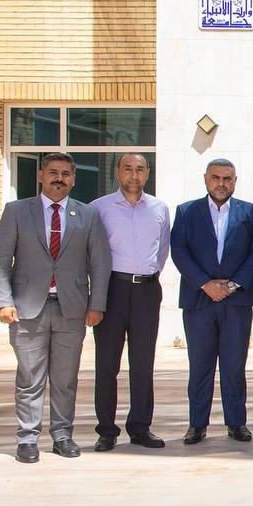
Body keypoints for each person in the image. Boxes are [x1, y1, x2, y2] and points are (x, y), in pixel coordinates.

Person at [0, 152, 111, 463]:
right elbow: (0, 259)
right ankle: (27, 438)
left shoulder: (87, 214)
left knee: (65, 378)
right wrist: (3, 301)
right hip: (27, 309)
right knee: (30, 378)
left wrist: (96, 304)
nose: (59, 178)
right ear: (41, 175)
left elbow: (99, 263)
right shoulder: (17, 211)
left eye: (66, 174)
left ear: (73, 179)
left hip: (72, 309)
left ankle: (62, 436)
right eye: (53, 172)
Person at [170, 158, 253, 444]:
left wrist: (233, 284)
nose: (221, 183)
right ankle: (197, 424)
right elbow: (179, 251)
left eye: (227, 178)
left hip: (237, 301)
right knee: (200, 366)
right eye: (216, 178)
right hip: (199, 300)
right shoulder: (187, 212)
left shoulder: (250, 212)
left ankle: (236, 423)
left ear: (235, 181)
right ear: (205, 179)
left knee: (234, 366)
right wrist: (205, 284)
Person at [90, 152, 169, 451]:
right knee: (107, 364)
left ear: (147, 173)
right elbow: (91, 252)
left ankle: (140, 427)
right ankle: (106, 430)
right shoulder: (99, 208)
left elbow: (162, 249)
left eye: (139, 169)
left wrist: (149, 275)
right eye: (128, 169)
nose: (133, 175)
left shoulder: (159, 208)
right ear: (117, 172)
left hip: (147, 291)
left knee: (143, 364)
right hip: (112, 289)